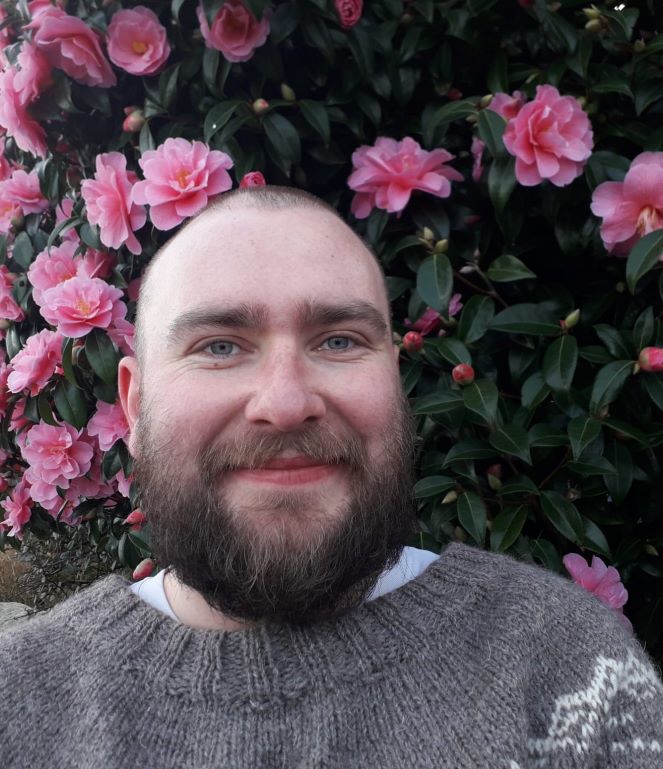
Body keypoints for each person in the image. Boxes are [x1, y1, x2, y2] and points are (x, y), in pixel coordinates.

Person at [2, 186, 662, 769]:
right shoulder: (20, 707)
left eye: (338, 340)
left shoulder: (568, 671)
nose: (286, 402)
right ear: (137, 406)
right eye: (220, 345)